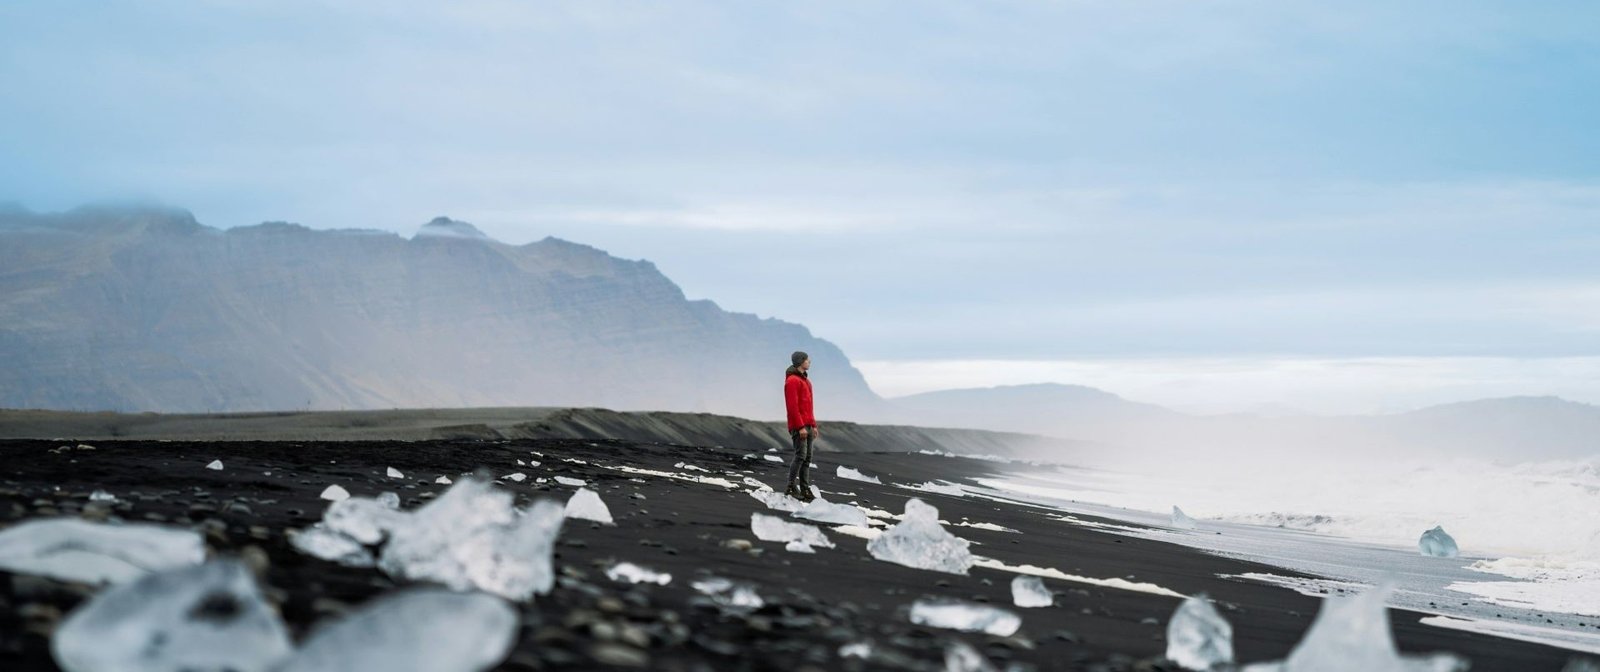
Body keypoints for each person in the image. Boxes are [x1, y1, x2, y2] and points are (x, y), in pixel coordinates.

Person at [783, 350, 818, 501]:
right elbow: (792, 407)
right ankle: (790, 486)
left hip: (808, 425)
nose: (809, 361)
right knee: (800, 456)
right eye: (807, 359)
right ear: (800, 361)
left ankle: (805, 489)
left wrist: (813, 425)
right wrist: (800, 427)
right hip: (799, 426)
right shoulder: (792, 381)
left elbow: (809, 406)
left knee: (807, 458)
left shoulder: (807, 382)